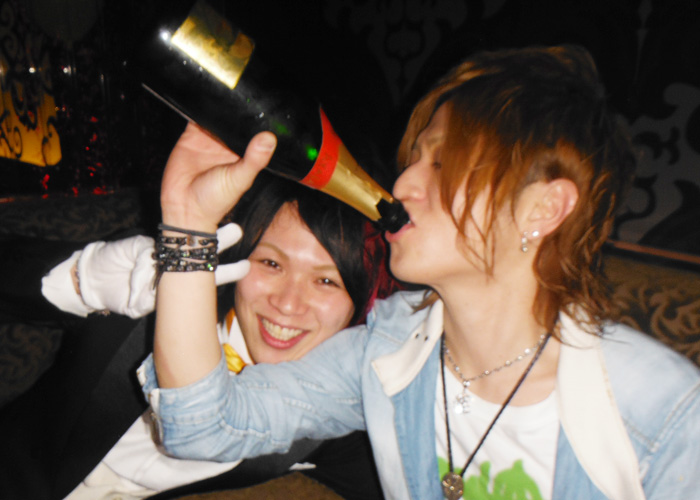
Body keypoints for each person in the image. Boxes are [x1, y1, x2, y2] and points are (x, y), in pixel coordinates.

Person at [140, 45, 700, 500]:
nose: (404, 183)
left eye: (442, 162)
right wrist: (189, 225)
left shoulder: (663, 413)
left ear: (542, 209)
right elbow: (203, 427)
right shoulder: (387, 354)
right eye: (414, 159)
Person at [0, 172, 393, 500]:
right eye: (271, 263)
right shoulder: (148, 284)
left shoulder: (332, 411)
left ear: (361, 303)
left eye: (326, 281)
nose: (288, 304)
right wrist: (82, 279)